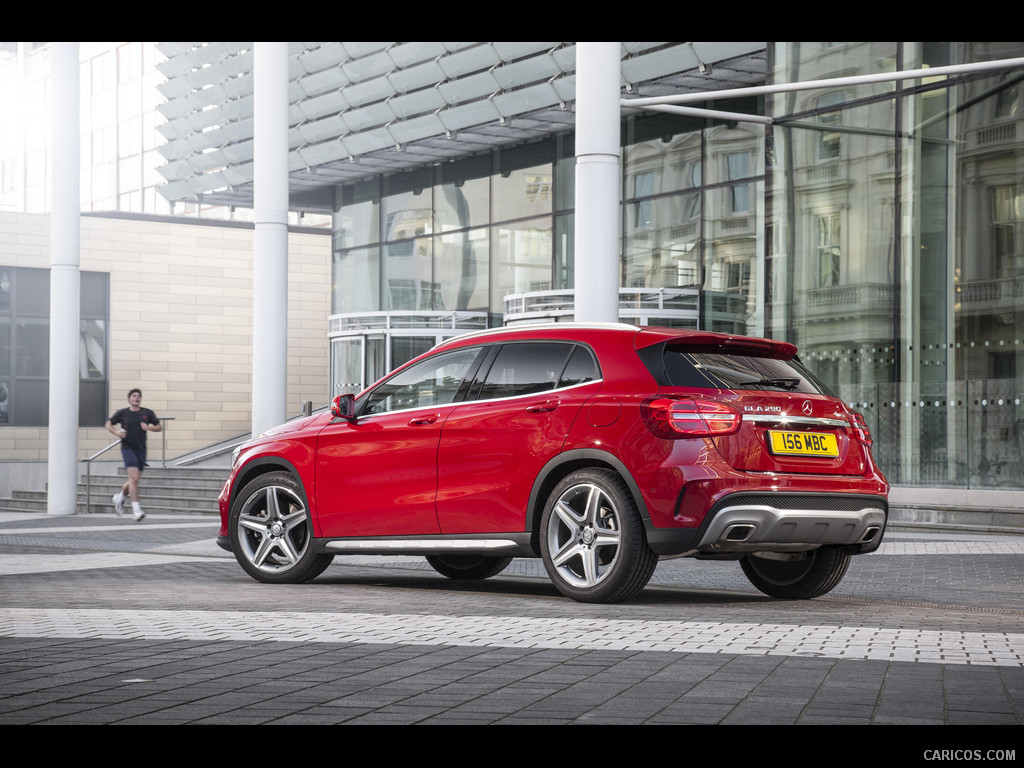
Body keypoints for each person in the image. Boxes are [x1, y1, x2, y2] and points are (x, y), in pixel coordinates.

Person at [105, 388, 161, 521]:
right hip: (128, 449)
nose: (136, 398)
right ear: (129, 399)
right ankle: (137, 511)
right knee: (134, 479)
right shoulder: (123, 413)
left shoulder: (147, 413)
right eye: (134, 396)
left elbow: (159, 427)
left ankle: (120, 498)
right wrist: (116, 433)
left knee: (133, 480)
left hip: (141, 450)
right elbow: (108, 424)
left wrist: (149, 428)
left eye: (138, 396)